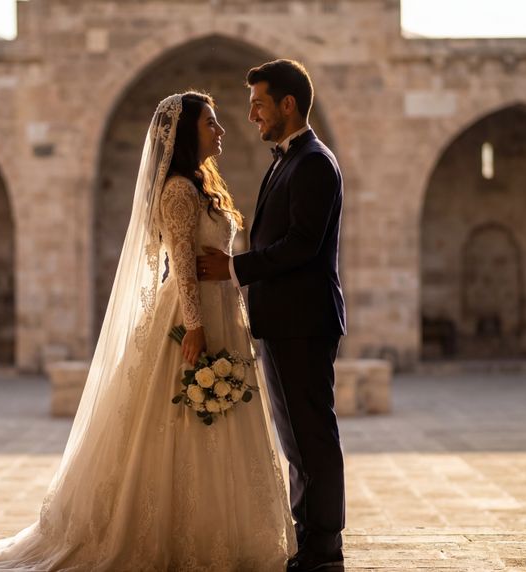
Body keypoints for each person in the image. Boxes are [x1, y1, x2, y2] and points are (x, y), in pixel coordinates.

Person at [0, 91, 295, 571]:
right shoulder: (178, 189)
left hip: (221, 311)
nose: (220, 130)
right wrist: (195, 327)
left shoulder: (201, 185)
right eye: (210, 124)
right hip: (189, 315)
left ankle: (217, 530)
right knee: (177, 419)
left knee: (212, 419)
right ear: (185, 134)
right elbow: (180, 261)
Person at [197, 59, 347, 572]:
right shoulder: (286, 160)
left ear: (288, 104)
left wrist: (234, 269)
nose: (251, 114)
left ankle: (323, 548)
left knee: (312, 438)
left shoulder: (314, 162)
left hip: (303, 322)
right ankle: (311, 541)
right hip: (283, 321)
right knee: (297, 440)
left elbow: (302, 245)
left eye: (259, 103)